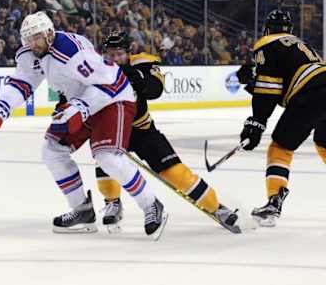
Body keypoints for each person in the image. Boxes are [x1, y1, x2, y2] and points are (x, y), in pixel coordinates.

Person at [0, 12, 167, 238]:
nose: (31, 43)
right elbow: (21, 83)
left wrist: (82, 107)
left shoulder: (71, 51)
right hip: (79, 101)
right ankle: (82, 210)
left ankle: (151, 205)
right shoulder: (30, 53)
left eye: (36, 37)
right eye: (27, 38)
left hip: (113, 97)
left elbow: (111, 81)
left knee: (107, 157)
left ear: (49, 33)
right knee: (52, 150)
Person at [93, 31, 242, 233]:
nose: (114, 59)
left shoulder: (142, 64)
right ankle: (112, 202)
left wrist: (138, 79)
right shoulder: (96, 70)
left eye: (118, 54)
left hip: (143, 130)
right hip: (114, 129)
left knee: (176, 172)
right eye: (110, 54)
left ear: (129, 52)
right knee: (105, 160)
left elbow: (156, 90)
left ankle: (216, 207)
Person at [239, 9, 326, 227]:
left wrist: (257, 122)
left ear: (267, 28)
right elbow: (278, 87)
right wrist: (252, 84)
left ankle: (273, 202)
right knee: (324, 144)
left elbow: (269, 89)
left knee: (280, 148)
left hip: (311, 95)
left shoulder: (266, 44)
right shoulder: (299, 44)